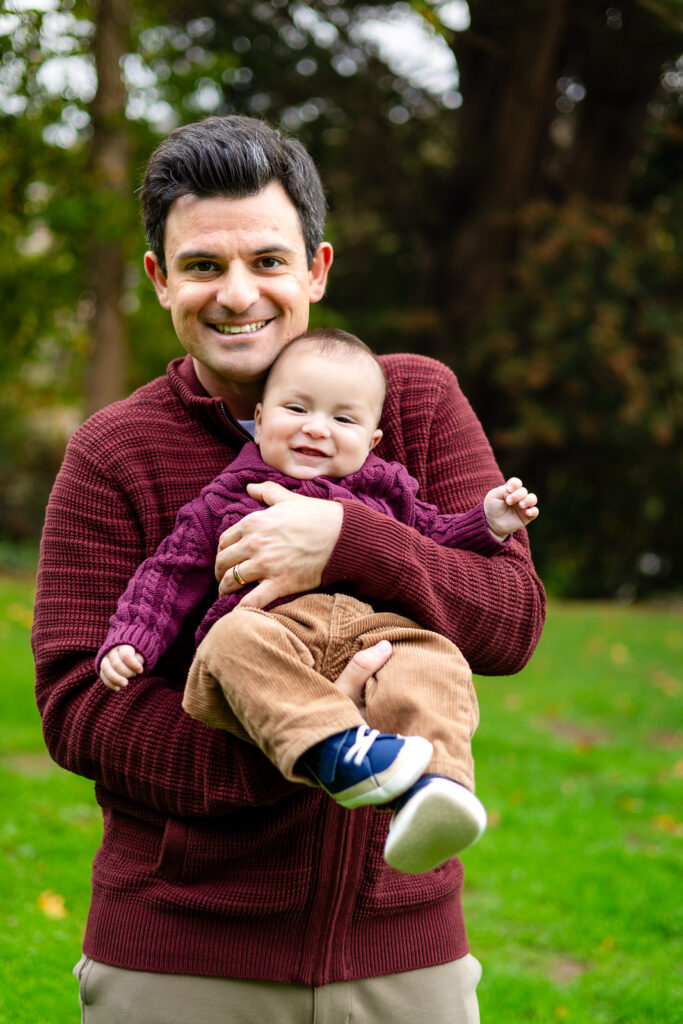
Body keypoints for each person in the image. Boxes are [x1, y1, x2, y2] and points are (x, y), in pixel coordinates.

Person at [32, 115, 545, 1023]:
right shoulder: (114, 452)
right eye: (202, 266)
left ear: (316, 267)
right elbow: (80, 706)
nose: (238, 295)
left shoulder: (413, 403)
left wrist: (350, 542)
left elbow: (508, 621)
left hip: (401, 951)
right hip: (184, 954)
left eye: (268, 261)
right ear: (159, 280)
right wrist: (314, 747)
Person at [97, 327, 539, 875]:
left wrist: (487, 522)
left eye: (343, 419)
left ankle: (438, 789)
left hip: (375, 633)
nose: (315, 428)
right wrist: (132, 639)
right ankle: (336, 750)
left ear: (372, 441)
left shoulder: (387, 492)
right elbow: (171, 572)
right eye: (296, 408)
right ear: (259, 419)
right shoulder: (227, 498)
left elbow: (434, 536)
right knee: (228, 642)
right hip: (271, 632)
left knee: (435, 660)